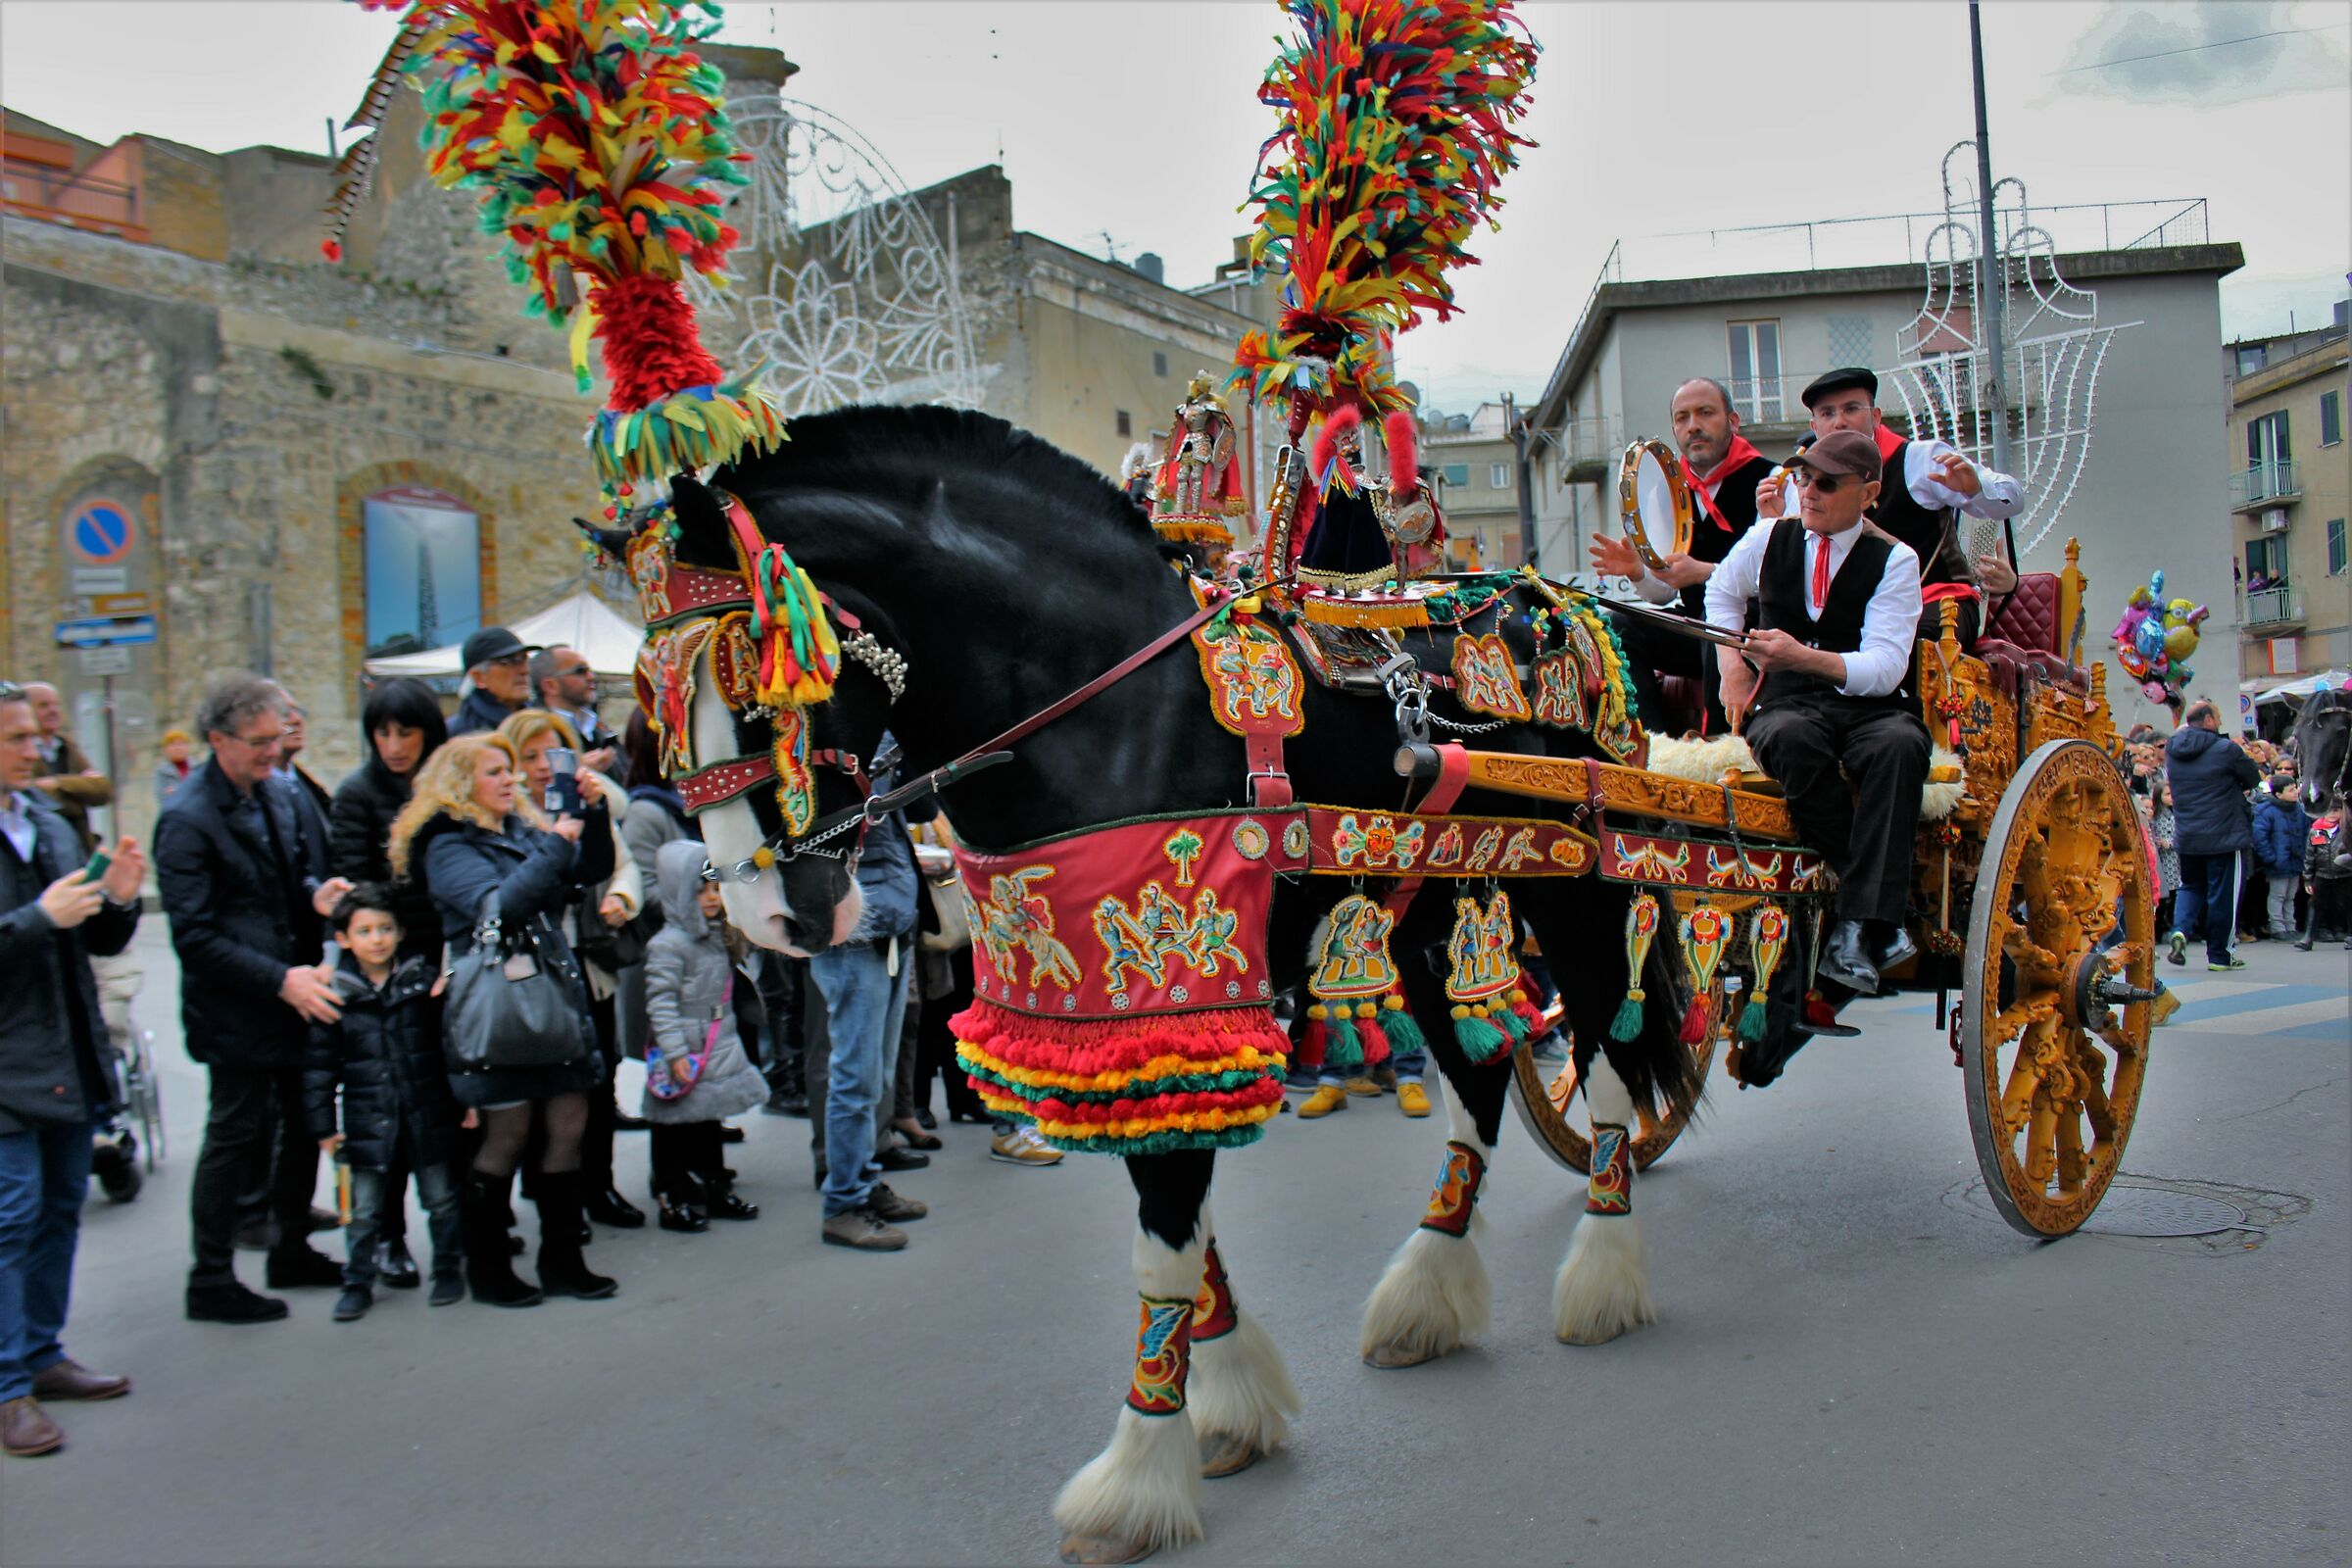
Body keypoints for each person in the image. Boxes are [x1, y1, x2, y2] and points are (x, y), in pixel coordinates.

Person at [389, 732, 616, 1306]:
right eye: (496, 771)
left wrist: (589, 815)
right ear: (461, 783)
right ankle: (488, 1266)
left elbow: (586, 872)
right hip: (498, 1007)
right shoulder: (445, 844)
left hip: (550, 994)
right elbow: (498, 908)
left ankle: (564, 1260)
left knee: (570, 1122)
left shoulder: (520, 829)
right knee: (506, 1135)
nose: (512, 779)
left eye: (509, 770)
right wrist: (555, 844)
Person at [156, 676, 354, 1325]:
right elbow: (195, 935)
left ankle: (289, 1248)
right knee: (235, 1136)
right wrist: (277, 979)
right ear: (218, 741)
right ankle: (210, 1276)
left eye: (277, 738)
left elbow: (283, 875)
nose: (274, 751)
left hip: (290, 991)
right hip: (238, 1006)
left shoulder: (275, 793)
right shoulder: (187, 817)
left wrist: (314, 896)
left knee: (302, 1125)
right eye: (260, 742)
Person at [1707, 429, 1932, 1000]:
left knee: (1901, 747)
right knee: (1786, 737)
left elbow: (1885, 668)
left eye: (1828, 483)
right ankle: (1878, 918)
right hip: (1789, 702)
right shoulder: (1767, 539)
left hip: (1870, 705)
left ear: (1869, 492)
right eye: (1804, 477)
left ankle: (1856, 925)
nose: (1809, 491)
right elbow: (1719, 593)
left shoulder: (1896, 560)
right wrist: (1732, 665)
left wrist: (1802, 656)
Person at [0, 679, 144, 1457]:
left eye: (35, 737)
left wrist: (115, 901)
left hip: (65, 1053)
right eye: (17, 739)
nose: (36, 750)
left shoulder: (48, 823)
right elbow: (36, 928)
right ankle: (6, 1388)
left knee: (59, 1206)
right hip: (6, 1063)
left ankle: (42, 1354)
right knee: (9, 1218)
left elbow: (95, 940)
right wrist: (33, 920)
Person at [496, 710, 645, 1231]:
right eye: (529, 755)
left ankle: (597, 1186)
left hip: (588, 963)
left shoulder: (588, 803)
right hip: (530, 974)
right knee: (539, 1089)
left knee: (597, 1081)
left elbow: (618, 864)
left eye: (552, 754)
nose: (541, 767)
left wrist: (622, 898)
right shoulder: (502, 815)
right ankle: (546, 1190)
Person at [325, 678, 451, 1291]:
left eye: (406, 731)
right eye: (383, 732)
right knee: (389, 1113)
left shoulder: (444, 784)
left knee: (441, 1106)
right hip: (387, 966)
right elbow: (357, 888)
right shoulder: (357, 794)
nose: (394, 745)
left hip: (443, 959)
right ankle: (390, 1240)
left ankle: (454, 1229)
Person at [1756, 368, 2024, 650]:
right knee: (1755, 630)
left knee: (1905, 645)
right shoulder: (1802, 484)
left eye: (1851, 409)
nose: (1839, 422)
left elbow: (2012, 498)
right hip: (1851, 615)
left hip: (1936, 604)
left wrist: (1974, 489)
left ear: (1875, 417)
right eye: (1827, 413)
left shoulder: (1920, 460)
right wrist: (1774, 526)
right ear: (1814, 427)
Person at [302, 886, 464, 1320]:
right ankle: (358, 1281)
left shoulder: (421, 982)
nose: (377, 939)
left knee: (441, 1198)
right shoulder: (337, 994)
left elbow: (447, 1048)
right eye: (365, 931)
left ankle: (448, 1268)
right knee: (364, 1210)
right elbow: (319, 1068)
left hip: (425, 1111)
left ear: (400, 933)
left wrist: (465, 1101)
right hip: (366, 1121)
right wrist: (323, 1128)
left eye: (385, 929)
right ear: (343, 939)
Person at [1590, 376, 1778, 733]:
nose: (1694, 426)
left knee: (1714, 622)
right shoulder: (1668, 489)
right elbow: (1666, 591)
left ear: (1733, 421)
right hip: (1696, 627)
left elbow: (1781, 574)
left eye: (1705, 413)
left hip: (1756, 628)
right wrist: (1638, 572)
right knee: (1616, 624)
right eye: (1682, 418)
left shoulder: (1770, 478)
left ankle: (1721, 746)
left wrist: (1705, 572)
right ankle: (1654, 745)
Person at [808, 736, 929, 1251]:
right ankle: (843, 1203)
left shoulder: (883, 742)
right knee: (855, 1079)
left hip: (889, 920)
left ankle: (862, 1180)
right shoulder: (824, 748)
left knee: (873, 1077)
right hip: (853, 927)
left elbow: (922, 805)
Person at [640, 842, 767, 1230]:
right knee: (673, 1126)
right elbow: (660, 1002)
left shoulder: (716, 934)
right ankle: (672, 1194)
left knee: (710, 1119)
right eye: (700, 890)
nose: (710, 899)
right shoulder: (668, 945)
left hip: (714, 1041)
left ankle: (712, 1184)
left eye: (715, 889)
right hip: (686, 1049)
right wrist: (675, 1050)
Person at [2162, 699, 2260, 972]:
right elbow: (2252, 777)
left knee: (2190, 886)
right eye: (2216, 717)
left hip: (2188, 834)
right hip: (2223, 833)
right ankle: (2220, 954)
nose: (2219, 723)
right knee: (2223, 895)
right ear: (2206, 720)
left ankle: (2180, 929)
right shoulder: (2225, 749)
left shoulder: (2173, 748)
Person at [20, 684, 111, 855]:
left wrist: (57, 783)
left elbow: (103, 790)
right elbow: (31, 796)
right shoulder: (19, 751)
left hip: (80, 847)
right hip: (43, 850)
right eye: (43, 705)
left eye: (56, 704)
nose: (53, 710)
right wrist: (81, 790)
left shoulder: (66, 746)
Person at [528, 646, 619, 776]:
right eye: (580, 671)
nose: (591, 677)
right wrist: (576, 771)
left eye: (589, 670)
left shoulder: (598, 727)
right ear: (550, 685)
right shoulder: (536, 732)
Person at [448, 627, 536, 737]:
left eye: (524, 659)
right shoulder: (457, 735)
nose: (525, 670)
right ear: (479, 678)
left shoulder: (543, 725)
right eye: (507, 662)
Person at [2293, 796, 2349, 949]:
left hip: (2345, 873)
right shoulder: (2316, 831)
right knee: (2315, 904)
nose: (2332, 814)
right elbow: (2310, 856)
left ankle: (2349, 935)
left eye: (2336, 810)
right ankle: (2308, 937)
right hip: (2322, 873)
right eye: (2328, 810)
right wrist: (2307, 879)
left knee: (2346, 904)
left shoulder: (2346, 829)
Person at [2253, 778, 2305, 939]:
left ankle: (2290, 926)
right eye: (2291, 790)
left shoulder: (2299, 809)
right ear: (2278, 794)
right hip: (2278, 862)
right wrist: (2270, 858)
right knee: (2278, 895)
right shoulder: (2267, 810)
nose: (2296, 792)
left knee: (2290, 895)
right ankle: (2277, 927)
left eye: (2295, 788)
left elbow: (2305, 832)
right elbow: (2260, 837)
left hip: (2295, 860)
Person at [152, 730, 199, 813]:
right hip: (175, 815)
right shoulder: (162, 772)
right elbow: (162, 797)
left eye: (181, 744)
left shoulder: (197, 767)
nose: (178, 748)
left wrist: (177, 792)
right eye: (173, 745)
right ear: (165, 749)